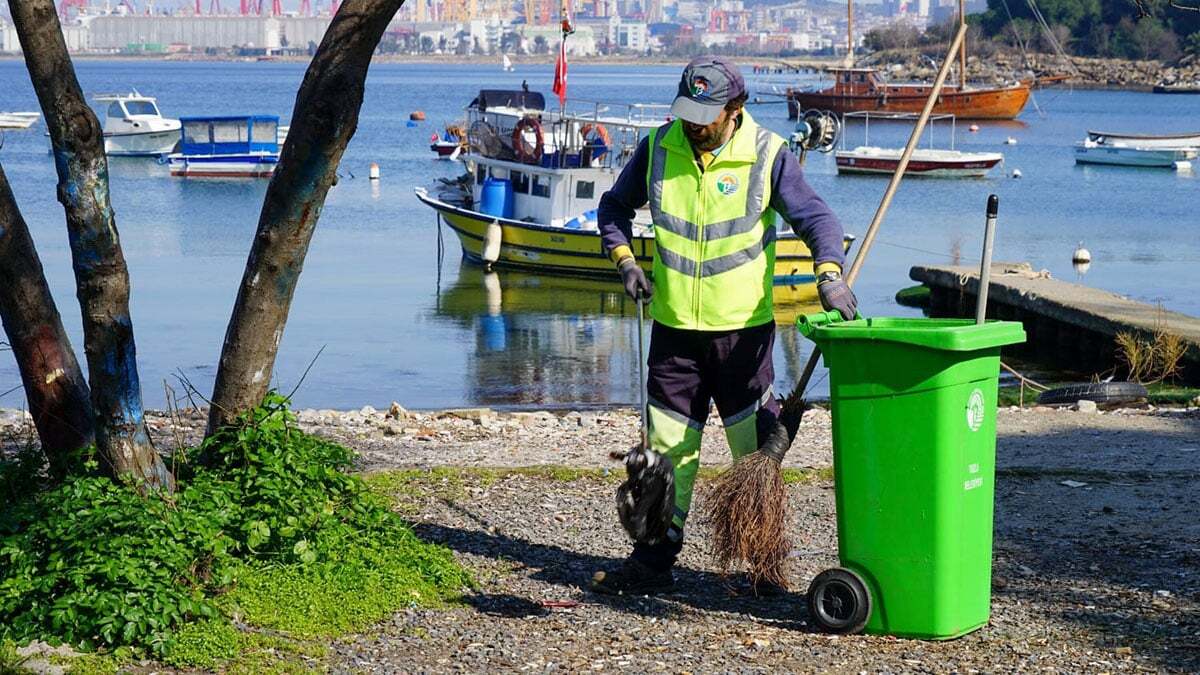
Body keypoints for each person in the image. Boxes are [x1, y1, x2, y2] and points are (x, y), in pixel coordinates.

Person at [590, 56, 857, 596]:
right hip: (673, 333)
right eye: (687, 112)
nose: (693, 125)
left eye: (706, 115)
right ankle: (653, 558)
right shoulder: (658, 149)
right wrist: (625, 262)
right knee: (666, 454)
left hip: (742, 335)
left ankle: (763, 565)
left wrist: (828, 275)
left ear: (735, 109)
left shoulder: (766, 154)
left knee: (753, 453)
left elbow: (818, 220)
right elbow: (613, 208)